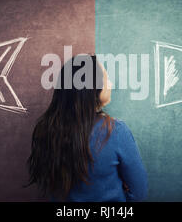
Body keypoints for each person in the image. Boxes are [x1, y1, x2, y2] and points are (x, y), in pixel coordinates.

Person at [26, 54, 147, 202]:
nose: (110, 84)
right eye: (106, 78)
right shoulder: (116, 131)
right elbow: (138, 192)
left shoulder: (45, 130)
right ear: (91, 87)